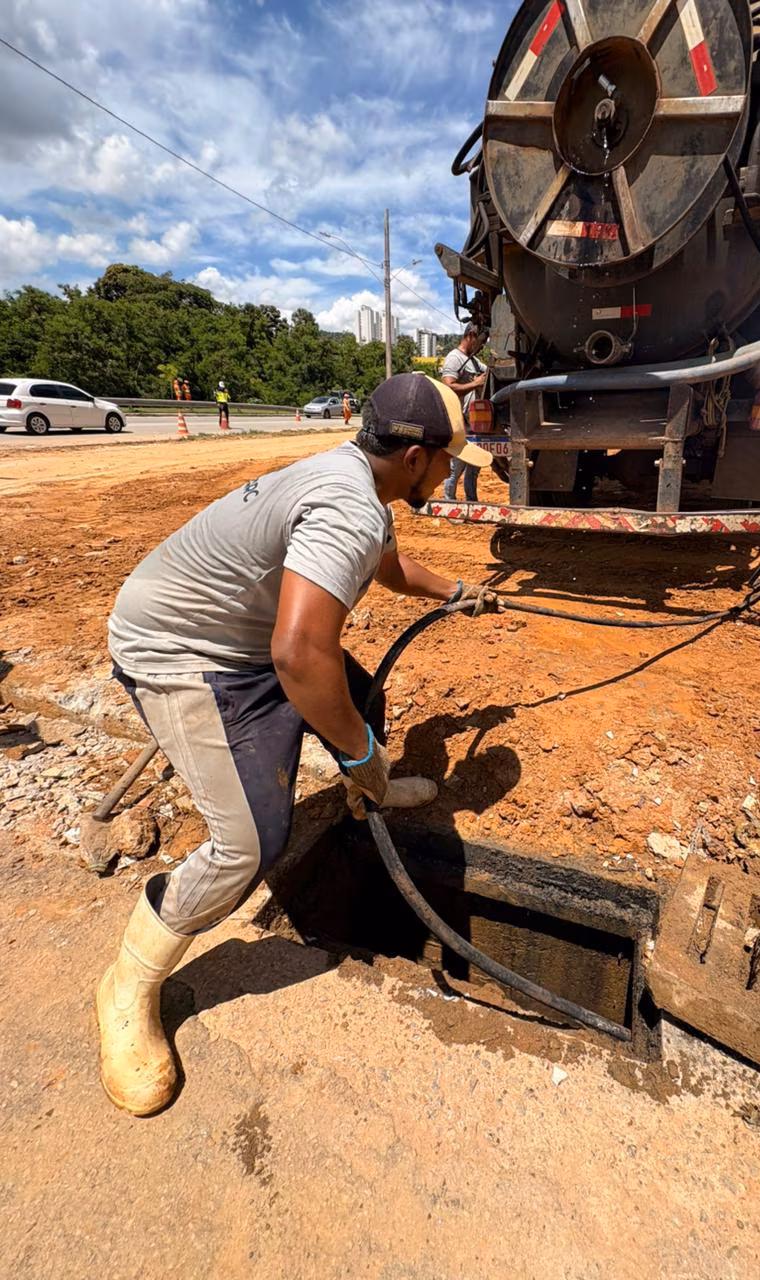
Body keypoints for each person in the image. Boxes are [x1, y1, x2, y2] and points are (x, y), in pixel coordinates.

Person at [97, 373, 497, 1117]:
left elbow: (389, 567)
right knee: (250, 843)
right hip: (176, 652)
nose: (452, 472)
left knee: (359, 699)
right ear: (414, 457)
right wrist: (362, 757)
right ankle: (128, 984)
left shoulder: (357, 481)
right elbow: (299, 656)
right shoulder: (346, 506)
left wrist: (456, 591)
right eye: (449, 459)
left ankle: (366, 788)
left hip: (236, 640)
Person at [441, 323, 488, 502]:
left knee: (474, 467)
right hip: (460, 423)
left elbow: (489, 371)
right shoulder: (454, 358)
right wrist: (475, 384)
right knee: (456, 468)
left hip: (474, 424)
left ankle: (472, 502)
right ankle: (449, 503)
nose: (482, 346)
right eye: (481, 342)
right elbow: (448, 386)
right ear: (471, 336)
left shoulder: (474, 361)